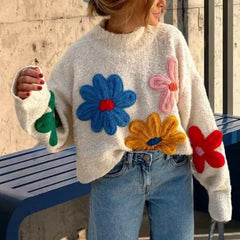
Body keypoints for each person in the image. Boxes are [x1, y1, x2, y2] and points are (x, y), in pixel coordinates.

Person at [11, 0, 232, 239]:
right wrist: (32, 97)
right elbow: (55, 124)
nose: (164, 3)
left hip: (173, 172)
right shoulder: (82, 54)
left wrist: (218, 186)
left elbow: (199, 114)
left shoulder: (170, 40)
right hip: (113, 177)